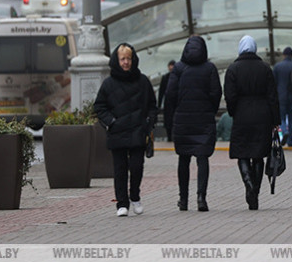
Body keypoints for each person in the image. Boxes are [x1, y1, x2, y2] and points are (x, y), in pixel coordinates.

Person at [94, 43, 157, 217]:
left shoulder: (143, 81)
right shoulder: (108, 84)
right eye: (123, 59)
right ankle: (122, 203)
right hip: (118, 132)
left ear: (133, 59)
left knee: (137, 167)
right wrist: (111, 122)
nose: (126, 62)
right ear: (117, 60)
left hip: (138, 131)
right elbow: (99, 106)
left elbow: (152, 105)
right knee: (120, 170)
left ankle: (135, 196)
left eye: (129, 58)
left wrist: (148, 123)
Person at [166, 35, 222, 212]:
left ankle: (183, 200)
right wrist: (209, 111)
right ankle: (201, 198)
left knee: (183, 159)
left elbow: (170, 95)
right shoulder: (210, 68)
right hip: (203, 119)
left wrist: (174, 115)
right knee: (202, 158)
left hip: (183, 120)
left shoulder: (179, 69)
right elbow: (216, 94)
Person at [225, 35, 281, 210]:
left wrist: (233, 112)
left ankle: (248, 183)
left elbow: (230, 96)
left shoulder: (233, 69)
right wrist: (275, 120)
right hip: (262, 116)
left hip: (242, 116)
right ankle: (255, 191)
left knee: (242, 153)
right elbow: (273, 96)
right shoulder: (265, 68)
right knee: (258, 155)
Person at [273, 46, 292, 147]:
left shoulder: (277, 67)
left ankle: (284, 131)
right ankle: (290, 141)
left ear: (283, 55)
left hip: (281, 96)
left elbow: (273, 83)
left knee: (282, 117)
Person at [157, 60, 176, 140]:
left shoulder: (166, 77)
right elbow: (161, 92)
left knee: (171, 122)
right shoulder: (166, 77)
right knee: (170, 122)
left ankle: (170, 138)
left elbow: (161, 92)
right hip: (170, 103)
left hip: (171, 103)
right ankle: (170, 138)